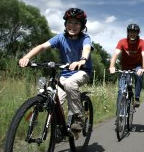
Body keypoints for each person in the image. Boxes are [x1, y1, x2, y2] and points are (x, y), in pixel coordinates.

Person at [19, 8, 93, 136]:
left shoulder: (85, 38)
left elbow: (86, 48)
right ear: (65, 24)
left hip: (82, 71)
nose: (73, 26)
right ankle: (59, 127)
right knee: (52, 97)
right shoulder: (60, 37)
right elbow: (42, 46)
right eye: (70, 22)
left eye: (77, 23)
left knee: (71, 84)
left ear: (82, 26)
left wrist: (82, 60)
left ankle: (78, 118)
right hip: (65, 74)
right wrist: (27, 57)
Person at [109, 23, 144, 107]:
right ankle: (119, 113)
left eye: (135, 32)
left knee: (139, 75)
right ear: (127, 32)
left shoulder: (142, 42)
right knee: (121, 90)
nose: (132, 34)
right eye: (130, 32)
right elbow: (115, 54)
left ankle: (137, 98)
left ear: (138, 33)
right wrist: (112, 66)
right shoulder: (122, 42)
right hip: (125, 66)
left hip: (137, 66)